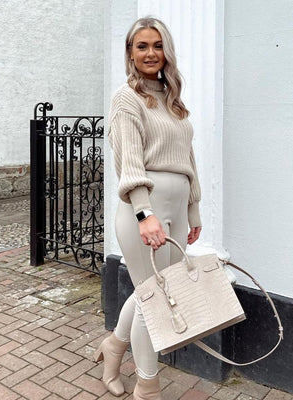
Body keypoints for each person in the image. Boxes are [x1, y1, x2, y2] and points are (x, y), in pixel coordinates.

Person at [93, 17, 202, 399]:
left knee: (149, 293)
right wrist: (144, 213)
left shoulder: (173, 100)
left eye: (157, 45)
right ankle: (148, 385)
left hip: (177, 208)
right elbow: (130, 163)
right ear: (130, 53)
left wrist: (193, 209)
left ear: (166, 51)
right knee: (153, 299)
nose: (151, 53)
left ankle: (114, 347)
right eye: (142, 46)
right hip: (146, 209)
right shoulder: (127, 98)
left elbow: (188, 158)